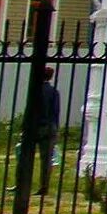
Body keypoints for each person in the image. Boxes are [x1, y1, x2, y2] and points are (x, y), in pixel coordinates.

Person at [27, 66, 60, 196]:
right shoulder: (53, 92)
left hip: (35, 127)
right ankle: (44, 186)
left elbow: (31, 110)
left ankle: (24, 182)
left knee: (26, 156)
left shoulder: (35, 91)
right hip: (49, 127)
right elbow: (56, 112)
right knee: (46, 159)